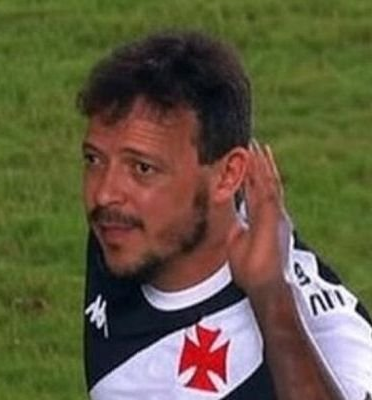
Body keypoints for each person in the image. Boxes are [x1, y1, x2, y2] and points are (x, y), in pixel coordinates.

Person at [77, 31, 372, 399]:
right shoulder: (126, 232)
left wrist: (272, 299)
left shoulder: (325, 334)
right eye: (94, 159)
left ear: (228, 176)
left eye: (142, 169)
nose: (104, 194)